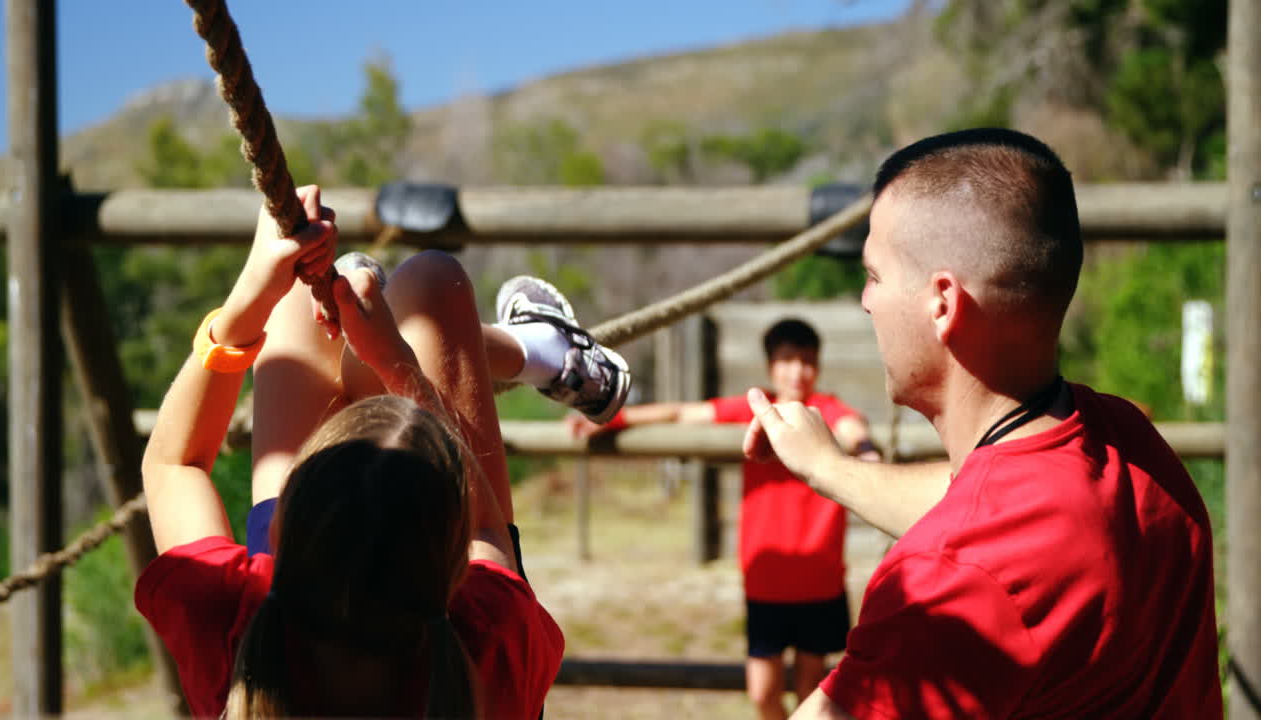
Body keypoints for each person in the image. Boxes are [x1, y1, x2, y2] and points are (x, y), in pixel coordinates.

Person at [743, 128, 1223, 719]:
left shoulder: (947, 583)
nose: (866, 302)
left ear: (942, 302)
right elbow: (987, 507)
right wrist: (826, 467)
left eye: (873, 276)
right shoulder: (1129, 442)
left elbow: (977, 546)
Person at [134, 185, 630, 718]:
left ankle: (532, 352)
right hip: (314, 593)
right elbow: (172, 467)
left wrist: (251, 303)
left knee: (308, 304)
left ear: (282, 528)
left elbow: (172, 463)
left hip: (288, 621)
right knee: (433, 288)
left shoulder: (240, 645)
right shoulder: (484, 635)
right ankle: (548, 354)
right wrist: (394, 360)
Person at [570, 318, 880, 720]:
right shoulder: (754, 409)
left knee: (811, 688)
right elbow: (685, 413)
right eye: (787, 360)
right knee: (762, 691)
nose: (798, 371)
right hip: (766, 577)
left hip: (819, 578)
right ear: (771, 366)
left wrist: (867, 446)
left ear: (817, 367)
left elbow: (854, 426)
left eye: (807, 361)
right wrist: (614, 419)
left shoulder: (825, 410)